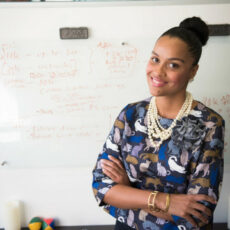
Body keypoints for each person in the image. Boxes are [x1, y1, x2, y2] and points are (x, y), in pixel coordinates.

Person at [92, 16, 225, 230]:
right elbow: (101, 186)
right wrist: (166, 202)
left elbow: (197, 213)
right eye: (155, 59)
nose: (158, 71)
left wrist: (128, 192)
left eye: (173, 64)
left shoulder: (208, 124)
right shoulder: (130, 115)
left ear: (193, 71)